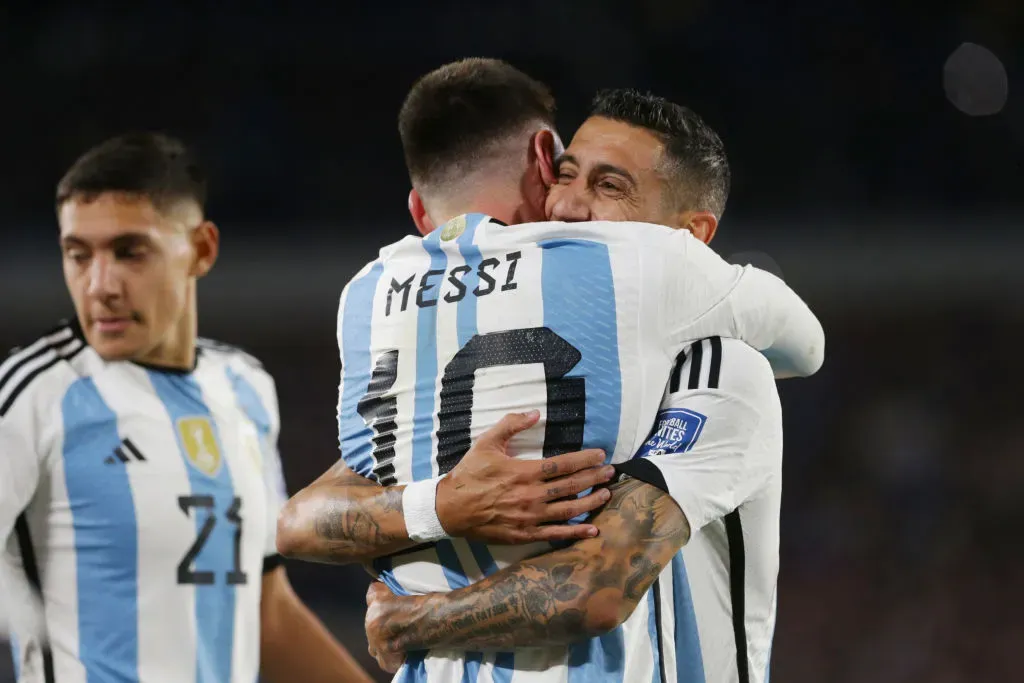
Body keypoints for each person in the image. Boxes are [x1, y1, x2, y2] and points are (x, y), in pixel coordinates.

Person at [276, 60, 823, 682]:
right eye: (565, 175)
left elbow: (596, 582)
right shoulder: (513, 370)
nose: (566, 205)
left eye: (610, 187)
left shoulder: (721, 369)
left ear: (689, 237)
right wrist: (445, 504)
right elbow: (304, 516)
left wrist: (413, 620)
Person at [0, 133, 373, 683]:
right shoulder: (32, 394)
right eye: (78, 255)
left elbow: (264, 611)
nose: (100, 285)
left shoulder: (244, 388)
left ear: (201, 249)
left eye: (130, 252)